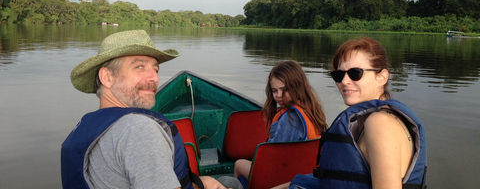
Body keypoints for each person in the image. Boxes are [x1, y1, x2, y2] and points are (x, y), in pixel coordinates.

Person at [61, 30, 242, 189]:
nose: (154, 77)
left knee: (226, 182)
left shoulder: (87, 127)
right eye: (139, 67)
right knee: (232, 183)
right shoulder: (138, 129)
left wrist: (198, 182)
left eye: (155, 69)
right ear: (107, 77)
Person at [286, 37, 427, 189]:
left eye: (355, 73)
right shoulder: (364, 120)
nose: (344, 81)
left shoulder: (380, 123)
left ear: (382, 77)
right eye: (339, 75)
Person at [234, 60, 328, 181]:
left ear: (297, 87)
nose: (279, 95)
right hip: (304, 175)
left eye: (284, 89)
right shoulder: (312, 111)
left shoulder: (290, 119)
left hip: (281, 177)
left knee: (238, 164)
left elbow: (272, 157)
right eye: (274, 90)